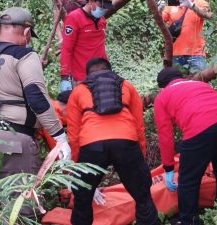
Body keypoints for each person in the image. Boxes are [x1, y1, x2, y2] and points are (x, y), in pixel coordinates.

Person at [66, 57, 158, 225]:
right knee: (143, 197)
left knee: (82, 201)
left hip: (91, 144)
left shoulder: (78, 91)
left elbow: (73, 133)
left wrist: (77, 165)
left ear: (88, 76)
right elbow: (139, 125)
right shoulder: (127, 85)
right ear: (110, 70)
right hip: (126, 142)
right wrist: (141, 155)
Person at [0, 7, 71, 178]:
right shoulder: (25, 56)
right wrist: (61, 139)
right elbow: (36, 97)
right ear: (26, 32)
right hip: (14, 140)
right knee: (20, 198)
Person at [153, 67, 217, 225]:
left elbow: (165, 136)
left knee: (188, 180)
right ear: (181, 77)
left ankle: (188, 221)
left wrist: (168, 168)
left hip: (201, 129)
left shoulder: (162, 97)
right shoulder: (200, 84)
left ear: (162, 85)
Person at [59, 0, 112, 91]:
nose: (104, 9)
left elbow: (101, 46)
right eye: (102, 6)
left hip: (102, 76)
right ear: (91, 2)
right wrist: (64, 77)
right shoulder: (73, 18)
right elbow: (66, 49)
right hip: (82, 79)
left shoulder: (101, 20)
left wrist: (108, 68)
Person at [160, 0, 211, 75]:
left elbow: (207, 15)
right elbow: (160, 21)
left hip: (196, 55)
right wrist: (158, 10)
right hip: (175, 55)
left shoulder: (200, 2)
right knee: (177, 84)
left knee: (198, 83)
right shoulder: (172, 5)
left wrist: (191, 6)